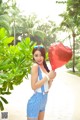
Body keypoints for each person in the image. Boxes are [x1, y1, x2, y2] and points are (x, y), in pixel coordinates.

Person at [27, 45, 56, 120]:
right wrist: (47, 77)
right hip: (35, 101)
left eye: (41, 55)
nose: (39, 58)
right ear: (33, 56)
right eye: (36, 55)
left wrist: (51, 79)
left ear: (44, 56)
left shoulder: (45, 67)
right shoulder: (35, 66)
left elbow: (47, 87)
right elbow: (33, 86)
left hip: (44, 100)